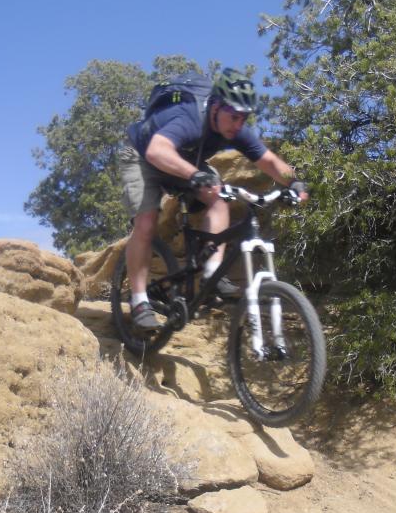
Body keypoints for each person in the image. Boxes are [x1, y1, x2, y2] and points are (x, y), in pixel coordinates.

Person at [119, 68, 307, 331]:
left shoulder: (234, 126)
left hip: (184, 160)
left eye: (244, 118)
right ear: (216, 106)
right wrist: (194, 174)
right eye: (233, 117)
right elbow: (157, 151)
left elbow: (267, 160)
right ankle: (139, 300)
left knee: (220, 197)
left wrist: (295, 182)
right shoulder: (190, 118)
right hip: (143, 156)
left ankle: (212, 272)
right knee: (147, 223)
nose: (238, 124)